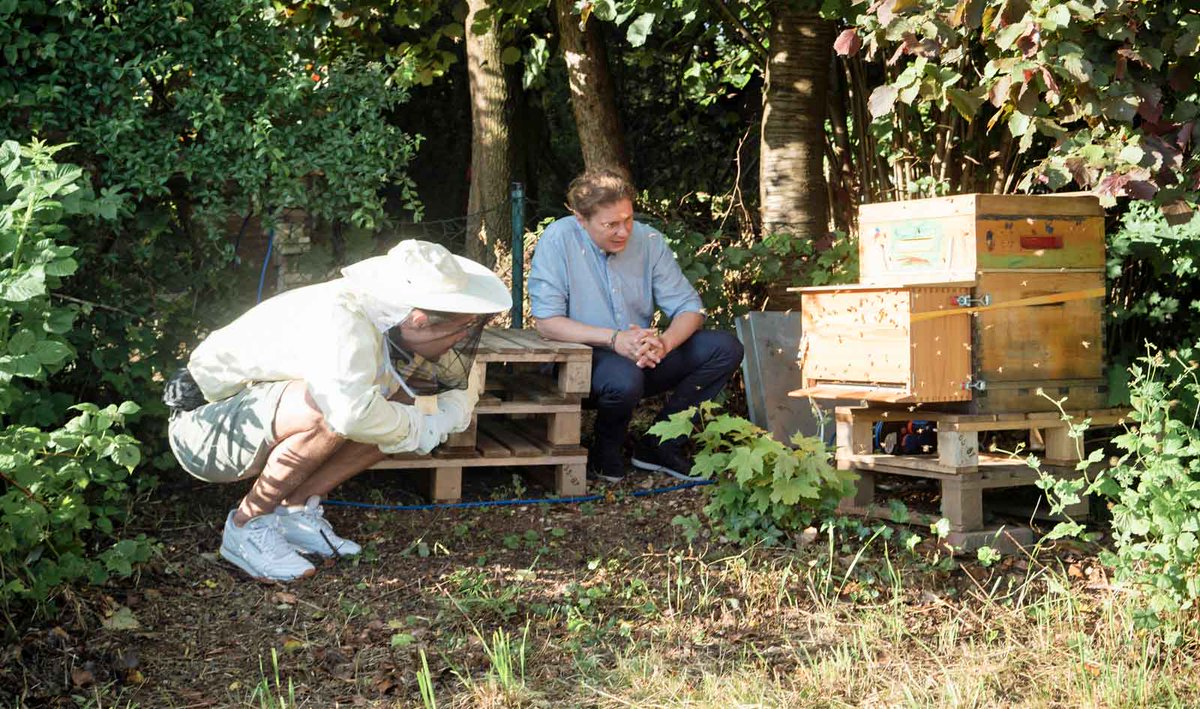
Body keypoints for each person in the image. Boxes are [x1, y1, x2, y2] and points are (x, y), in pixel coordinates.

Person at [166, 240, 511, 581]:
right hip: (203, 428)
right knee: (330, 407)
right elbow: (348, 413)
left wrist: (441, 417)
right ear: (420, 320)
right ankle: (246, 526)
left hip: (252, 416)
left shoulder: (393, 318)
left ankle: (295, 511)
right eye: (461, 329)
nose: (463, 339)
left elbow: (462, 384)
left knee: (391, 408)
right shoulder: (341, 317)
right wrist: (421, 426)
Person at [528, 169, 744, 483]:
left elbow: (689, 308)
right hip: (579, 357)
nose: (623, 231)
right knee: (624, 376)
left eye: (627, 219)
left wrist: (665, 343)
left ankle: (660, 445)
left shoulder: (648, 240)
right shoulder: (559, 239)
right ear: (581, 220)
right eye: (611, 224)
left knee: (724, 348)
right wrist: (614, 340)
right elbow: (547, 322)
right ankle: (605, 454)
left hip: (640, 353)